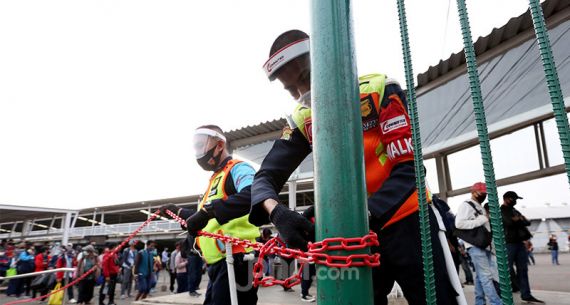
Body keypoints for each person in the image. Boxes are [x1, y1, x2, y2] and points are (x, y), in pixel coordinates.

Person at [248, 29, 459, 305]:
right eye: (291, 89)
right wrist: (277, 213)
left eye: (304, 78)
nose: (302, 93)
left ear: (327, 62)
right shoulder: (302, 119)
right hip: (355, 237)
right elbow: (265, 176)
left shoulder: (379, 89)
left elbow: (409, 170)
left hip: (410, 223)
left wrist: (359, 214)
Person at [161, 125, 260, 304]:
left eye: (201, 145)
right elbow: (208, 219)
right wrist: (178, 211)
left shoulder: (238, 168)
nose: (198, 152)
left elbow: (254, 193)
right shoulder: (215, 179)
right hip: (219, 263)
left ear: (220, 145)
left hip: (237, 260)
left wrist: (208, 211)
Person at [455, 182, 501, 305]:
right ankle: (496, 303)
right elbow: (459, 224)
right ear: (473, 192)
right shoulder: (466, 205)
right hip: (475, 245)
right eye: (482, 193)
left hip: (484, 245)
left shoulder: (479, 207)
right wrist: (481, 220)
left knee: (481, 277)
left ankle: (480, 302)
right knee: (486, 276)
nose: (484, 195)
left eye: (485, 193)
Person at [501, 191, 543, 303]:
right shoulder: (501, 210)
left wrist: (519, 219)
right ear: (506, 199)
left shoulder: (514, 210)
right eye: (513, 199)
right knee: (507, 269)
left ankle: (526, 294)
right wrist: (520, 219)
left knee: (523, 270)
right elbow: (509, 223)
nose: (515, 201)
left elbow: (527, 222)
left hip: (519, 243)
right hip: (508, 244)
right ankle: (509, 289)